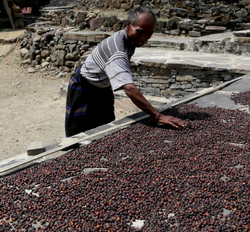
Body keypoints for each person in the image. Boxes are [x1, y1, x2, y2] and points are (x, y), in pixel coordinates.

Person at [65, 7, 186, 136]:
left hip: (103, 87)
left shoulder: (129, 40)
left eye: (149, 34)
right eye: (140, 32)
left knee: (105, 129)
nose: (143, 38)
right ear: (128, 24)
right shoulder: (117, 51)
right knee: (78, 136)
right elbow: (129, 88)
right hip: (85, 88)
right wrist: (158, 116)